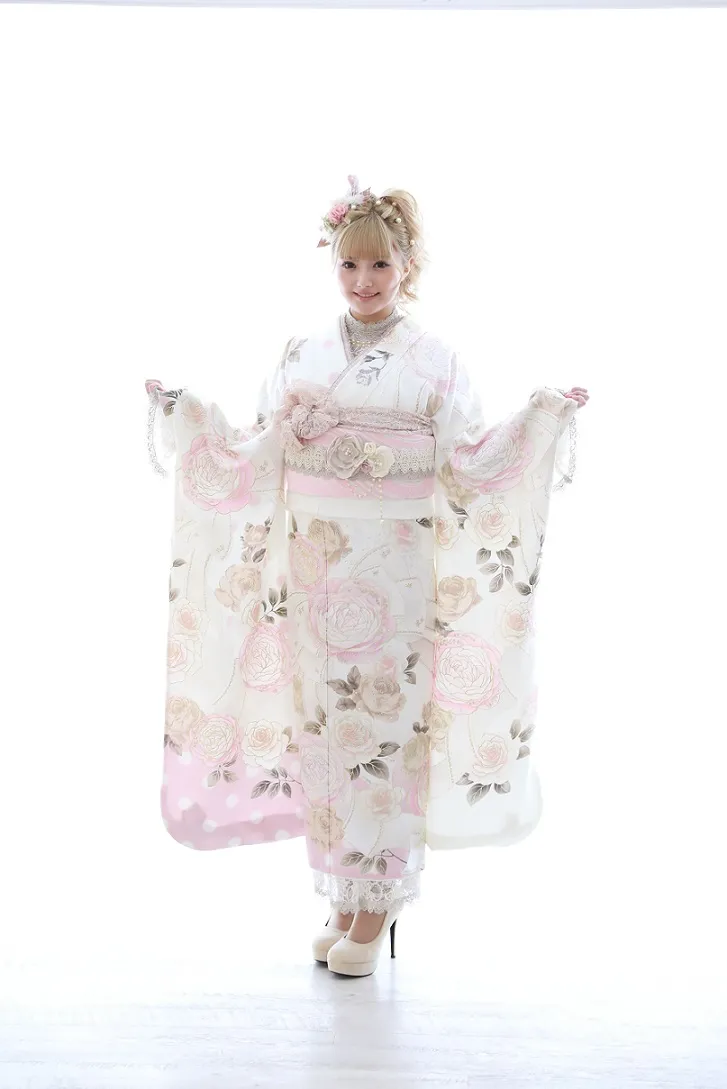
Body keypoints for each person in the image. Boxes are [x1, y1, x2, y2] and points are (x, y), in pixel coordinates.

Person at [145, 175, 589, 978]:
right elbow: (257, 449)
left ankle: (378, 897)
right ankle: (343, 894)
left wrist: (541, 417)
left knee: (383, 725)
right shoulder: (301, 353)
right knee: (323, 728)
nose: (363, 281)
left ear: (406, 265)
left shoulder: (436, 361)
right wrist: (189, 413)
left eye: (379, 264)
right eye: (349, 266)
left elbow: (468, 460)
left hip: (393, 571)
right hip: (315, 565)